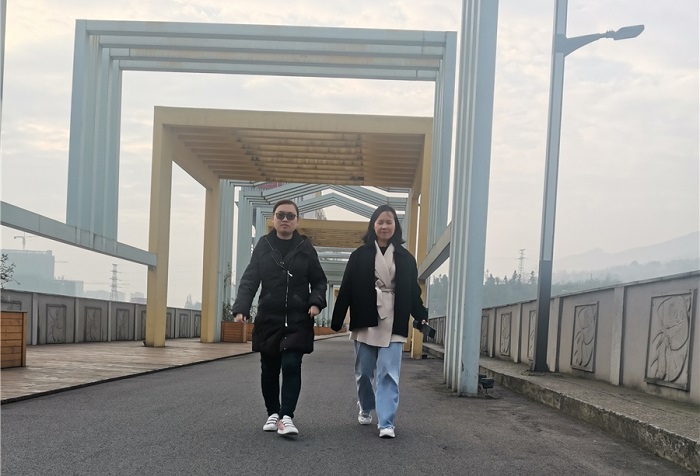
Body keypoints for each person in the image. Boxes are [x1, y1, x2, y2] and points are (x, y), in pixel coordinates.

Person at [330, 204, 428, 439]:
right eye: (380, 222)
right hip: (366, 315)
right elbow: (347, 287)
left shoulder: (406, 258)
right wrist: (337, 319)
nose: (384, 226)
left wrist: (421, 314)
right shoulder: (359, 255)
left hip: (395, 317)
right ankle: (365, 406)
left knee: (388, 373)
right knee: (364, 372)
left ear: (395, 226)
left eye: (389, 222)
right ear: (373, 225)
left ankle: (386, 421)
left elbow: (413, 292)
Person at [232, 199, 327, 436]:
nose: (285, 219)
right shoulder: (263, 246)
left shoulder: (306, 248)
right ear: (273, 219)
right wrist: (241, 308)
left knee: (292, 364)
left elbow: (319, 281)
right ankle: (273, 413)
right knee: (269, 367)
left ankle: (286, 416)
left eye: (290, 216)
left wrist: (315, 302)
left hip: (298, 318)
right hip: (269, 318)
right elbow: (250, 279)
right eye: (281, 215)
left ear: (297, 221)